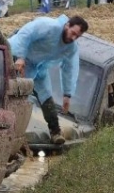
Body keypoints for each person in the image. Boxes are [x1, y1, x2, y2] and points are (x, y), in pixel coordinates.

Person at [9, 15, 89, 145]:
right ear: (67, 25)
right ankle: (5, 127)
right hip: (16, 55)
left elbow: (69, 69)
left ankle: (55, 132)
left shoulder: (71, 48)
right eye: (73, 33)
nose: (73, 38)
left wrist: (67, 95)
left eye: (77, 36)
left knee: (46, 95)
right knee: (13, 93)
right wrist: (20, 56)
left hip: (37, 67)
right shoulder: (49, 26)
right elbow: (25, 33)